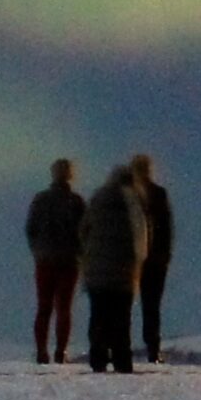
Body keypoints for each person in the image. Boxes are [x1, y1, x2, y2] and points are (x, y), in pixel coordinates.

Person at [78, 160, 146, 373]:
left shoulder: (98, 198)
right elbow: (140, 236)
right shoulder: (133, 201)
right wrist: (139, 263)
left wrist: (88, 256)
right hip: (123, 271)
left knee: (98, 314)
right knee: (121, 317)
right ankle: (121, 359)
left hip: (96, 270)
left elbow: (83, 230)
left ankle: (98, 357)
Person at [23, 158, 85, 364]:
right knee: (64, 308)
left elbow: (30, 229)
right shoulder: (76, 202)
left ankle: (42, 351)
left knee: (44, 307)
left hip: (45, 260)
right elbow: (85, 232)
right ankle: (61, 351)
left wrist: (38, 250)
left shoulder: (40, 200)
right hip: (69, 261)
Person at [133, 153, 176, 365]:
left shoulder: (129, 195)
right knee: (152, 306)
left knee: (122, 305)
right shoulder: (159, 194)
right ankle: (153, 349)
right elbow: (167, 228)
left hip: (132, 258)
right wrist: (165, 255)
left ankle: (119, 346)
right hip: (155, 258)